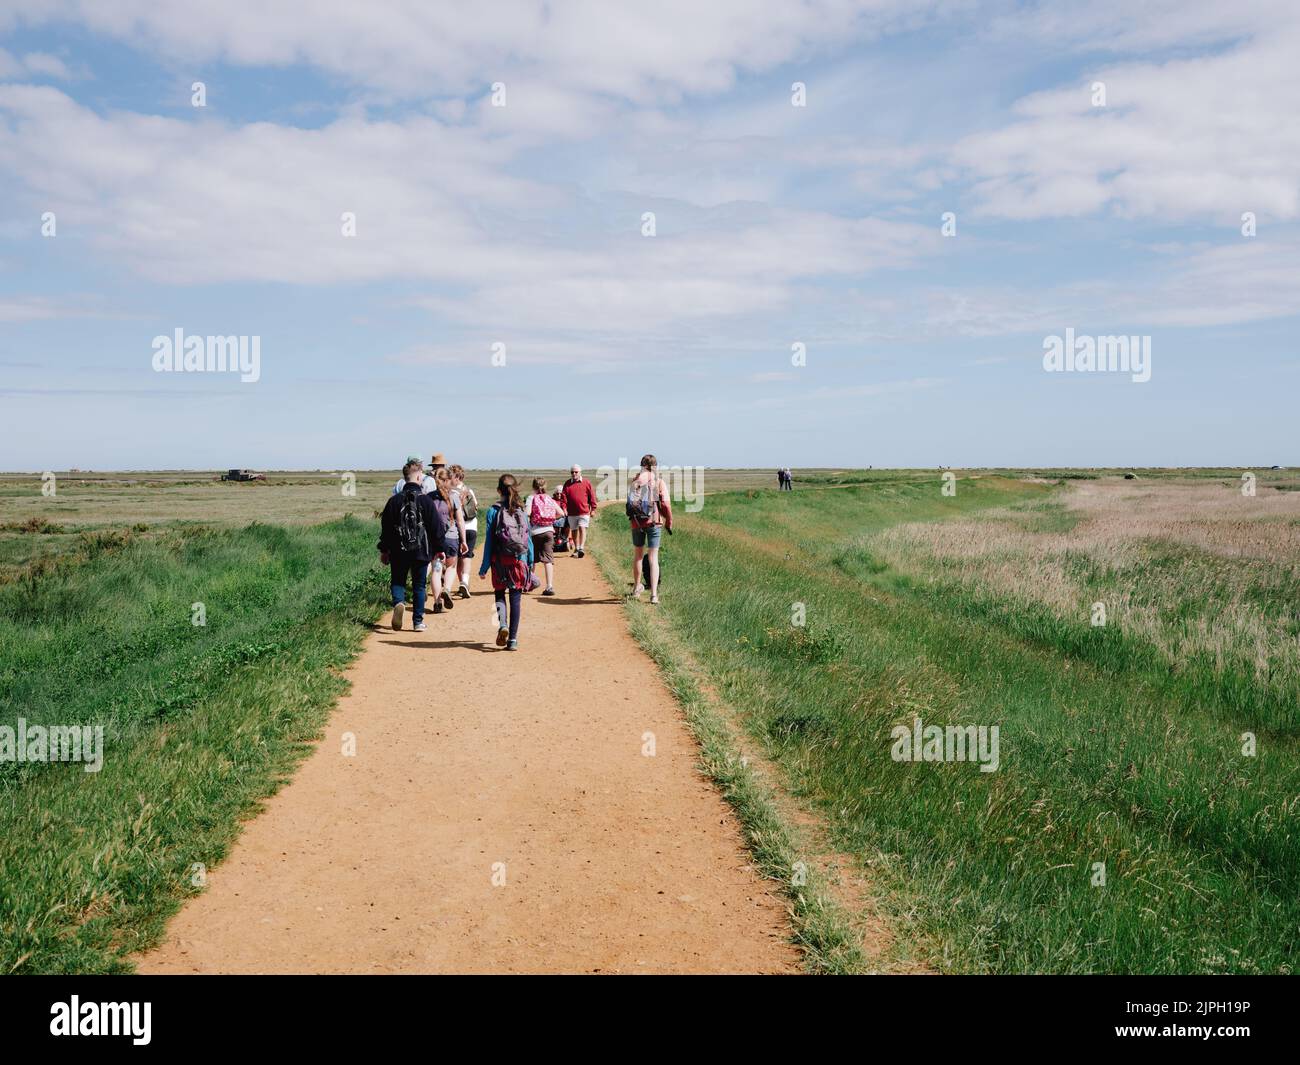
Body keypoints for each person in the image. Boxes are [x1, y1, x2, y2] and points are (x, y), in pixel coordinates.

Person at [378, 464, 449, 632]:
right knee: (419, 585)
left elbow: (386, 528)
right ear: (419, 478)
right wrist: (440, 549)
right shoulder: (426, 500)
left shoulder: (393, 501)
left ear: (404, 478)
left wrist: (384, 549)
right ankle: (417, 622)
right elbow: (435, 528)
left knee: (397, 581)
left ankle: (399, 602)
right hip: (421, 550)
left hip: (398, 550)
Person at [478, 474, 534, 650]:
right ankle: (513, 640)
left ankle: (502, 624)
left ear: (498, 490)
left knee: (500, 594)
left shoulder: (493, 511)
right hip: (519, 560)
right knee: (516, 599)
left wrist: (484, 566)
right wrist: (530, 561)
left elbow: (489, 541)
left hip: (499, 561)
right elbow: (528, 539)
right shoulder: (521, 511)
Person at [626, 453, 672, 604]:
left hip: (636, 523)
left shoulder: (634, 481)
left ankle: (636, 589)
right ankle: (653, 595)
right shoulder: (658, 481)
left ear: (642, 465)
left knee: (638, 556)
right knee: (653, 558)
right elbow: (665, 504)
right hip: (653, 522)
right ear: (654, 466)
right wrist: (669, 520)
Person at [428, 466, 467, 613]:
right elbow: (460, 520)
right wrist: (463, 540)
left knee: (436, 571)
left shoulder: (429, 497)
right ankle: (447, 589)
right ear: (448, 480)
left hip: (435, 541)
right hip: (451, 538)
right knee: (450, 567)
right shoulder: (454, 496)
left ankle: (437, 602)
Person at [525, 477, 565, 596]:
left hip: (534, 532)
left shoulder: (531, 498)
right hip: (549, 532)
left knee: (532, 560)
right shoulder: (549, 499)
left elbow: (527, 513)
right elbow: (562, 513)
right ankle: (549, 586)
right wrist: (552, 519)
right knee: (548, 560)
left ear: (533, 487)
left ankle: (529, 584)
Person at [448, 465, 478, 598]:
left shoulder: (451, 492)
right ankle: (464, 583)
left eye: (451, 476)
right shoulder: (469, 490)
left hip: (459, 528)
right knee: (467, 556)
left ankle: (461, 583)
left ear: (457, 477)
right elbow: (475, 507)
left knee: (459, 558)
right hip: (472, 527)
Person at [561, 464, 598, 557]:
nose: (574, 474)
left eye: (576, 472)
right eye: (572, 472)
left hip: (584, 511)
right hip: (571, 513)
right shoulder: (567, 484)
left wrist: (593, 509)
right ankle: (576, 548)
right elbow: (563, 498)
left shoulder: (586, 483)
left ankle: (581, 548)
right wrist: (564, 508)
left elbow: (592, 496)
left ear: (580, 472)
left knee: (582, 527)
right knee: (574, 530)